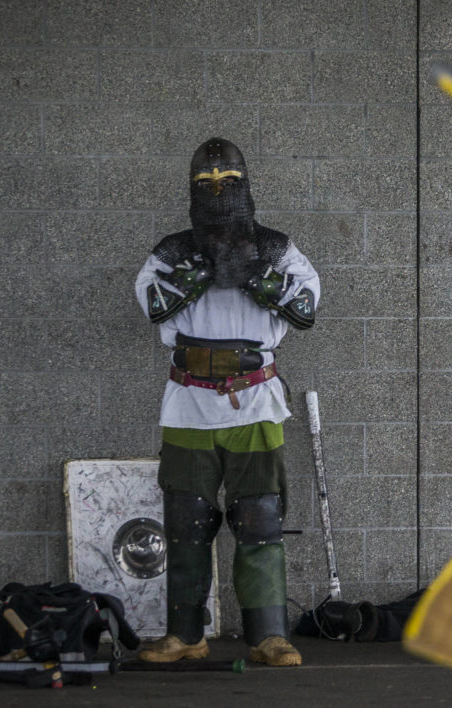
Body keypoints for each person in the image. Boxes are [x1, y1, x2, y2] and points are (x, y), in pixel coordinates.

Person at [134, 138, 320, 667]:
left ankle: (268, 636)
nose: (217, 188)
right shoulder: (170, 251)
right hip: (188, 401)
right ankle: (185, 635)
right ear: (191, 189)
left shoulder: (277, 248)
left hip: (254, 400)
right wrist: (198, 272)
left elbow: (306, 306)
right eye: (206, 182)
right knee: (186, 521)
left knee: (259, 517)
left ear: (245, 184)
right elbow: (153, 304)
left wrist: (256, 276)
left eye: (227, 180)